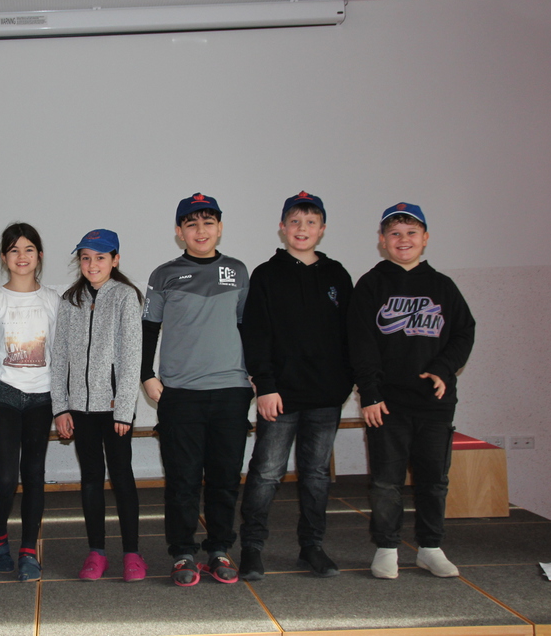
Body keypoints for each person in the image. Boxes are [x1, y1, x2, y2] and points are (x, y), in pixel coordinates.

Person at [348, 202, 475, 580]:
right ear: (382, 240)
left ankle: (430, 547)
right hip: (386, 403)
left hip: (434, 403)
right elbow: (360, 343)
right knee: (385, 481)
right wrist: (370, 393)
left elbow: (464, 332)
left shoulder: (443, 286)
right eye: (395, 233)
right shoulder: (371, 285)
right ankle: (386, 547)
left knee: (434, 480)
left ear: (425, 238)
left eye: (411, 233)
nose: (403, 240)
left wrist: (442, 368)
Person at [237, 192, 354, 581]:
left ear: (322, 229)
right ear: (282, 227)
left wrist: (345, 382)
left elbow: (350, 334)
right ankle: (252, 548)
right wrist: (265, 385)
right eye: (295, 222)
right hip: (280, 396)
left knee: (316, 475)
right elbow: (256, 334)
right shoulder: (266, 274)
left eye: (310, 222)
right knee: (267, 473)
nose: (302, 229)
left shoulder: (337, 275)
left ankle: (312, 546)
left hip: (326, 397)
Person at [141, 193, 253, 587]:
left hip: (231, 391)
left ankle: (220, 549)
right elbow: (148, 329)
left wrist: (256, 375)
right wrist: (146, 374)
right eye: (191, 224)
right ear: (179, 231)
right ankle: (183, 553)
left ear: (219, 228)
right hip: (181, 394)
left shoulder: (238, 271)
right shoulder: (163, 274)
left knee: (225, 479)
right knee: (182, 480)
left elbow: (248, 327)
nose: (200, 231)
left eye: (208, 223)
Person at [51, 229, 146, 582]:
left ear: (115, 260)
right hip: (80, 409)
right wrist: (60, 407)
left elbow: (131, 356)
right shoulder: (69, 300)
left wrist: (124, 408)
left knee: (122, 478)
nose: (92, 264)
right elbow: (59, 356)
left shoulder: (125, 297)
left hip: (114, 409)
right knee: (91, 479)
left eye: (101, 258)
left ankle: (132, 553)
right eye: (86, 258)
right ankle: (97, 552)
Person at [0, 223, 60, 582]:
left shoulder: (52, 300)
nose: (21, 256)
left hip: (42, 398)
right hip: (4, 396)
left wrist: (63, 406)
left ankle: (28, 550)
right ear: (4, 257)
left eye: (28, 249)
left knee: (34, 475)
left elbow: (60, 355)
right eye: (14, 250)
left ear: (39, 255)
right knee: (7, 476)